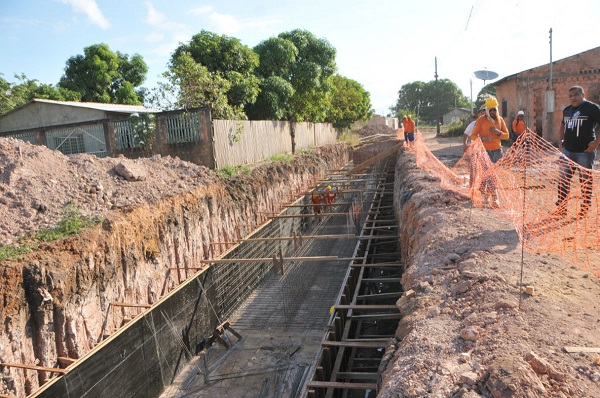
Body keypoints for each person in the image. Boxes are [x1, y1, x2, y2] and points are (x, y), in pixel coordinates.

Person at [553, 85, 600, 218]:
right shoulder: (567, 110)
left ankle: (584, 208)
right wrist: (560, 140)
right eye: (570, 96)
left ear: (583, 95)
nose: (573, 98)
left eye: (576, 95)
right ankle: (562, 208)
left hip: (585, 152)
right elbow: (562, 124)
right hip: (567, 151)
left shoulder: (592, 108)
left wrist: (596, 143)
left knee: (585, 181)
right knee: (563, 180)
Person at [471, 97, 510, 208]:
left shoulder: (500, 120)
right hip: (485, 152)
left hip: (497, 151)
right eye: (490, 110)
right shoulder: (480, 121)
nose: (493, 112)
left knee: (493, 175)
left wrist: (499, 133)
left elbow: (507, 136)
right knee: (487, 175)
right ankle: (493, 198)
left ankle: (490, 198)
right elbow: (473, 136)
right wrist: (482, 139)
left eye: (494, 109)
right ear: (487, 110)